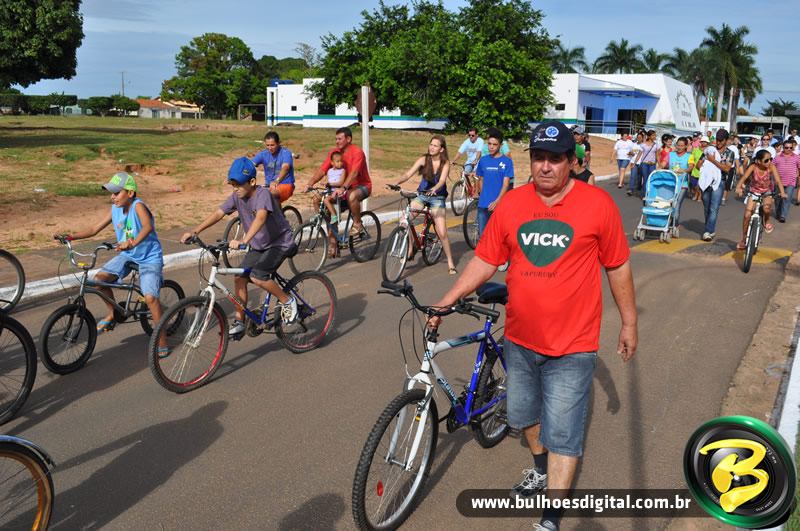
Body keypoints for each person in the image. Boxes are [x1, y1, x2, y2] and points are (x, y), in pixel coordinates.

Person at [429, 121, 637, 531]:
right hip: (520, 341)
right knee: (524, 418)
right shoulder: (513, 204)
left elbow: (617, 266)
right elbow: (486, 259)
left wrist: (629, 323)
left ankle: (550, 519)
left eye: (554, 159)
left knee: (563, 434)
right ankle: (540, 469)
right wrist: (447, 299)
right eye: (538, 157)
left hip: (573, 346)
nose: (545, 166)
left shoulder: (597, 205)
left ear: (571, 162)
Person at [181, 157, 297, 336]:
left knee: (258, 276)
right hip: (260, 246)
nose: (235, 188)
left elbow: (261, 218)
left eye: (238, 184)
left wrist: (244, 240)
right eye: (232, 185)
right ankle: (240, 321)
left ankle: (288, 301)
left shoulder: (263, 195)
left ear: (252, 182)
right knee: (239, 278)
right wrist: (195, 231)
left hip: (280, 243)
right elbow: (219, 213)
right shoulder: (237, 196)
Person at [58, 172, 168, 354]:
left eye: (116, 193)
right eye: (111, 193)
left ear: (130, 193)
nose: (112, 197)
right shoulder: (115, 209)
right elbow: (94, 229)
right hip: (128, 255)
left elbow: (148, 226)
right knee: (99, 280)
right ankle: (113, 314)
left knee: (150, 298)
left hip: (149, 258)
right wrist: (71, 237)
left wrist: (132, 242)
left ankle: (162, 341)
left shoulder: (138, 206)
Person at [391, 135, 458, 274]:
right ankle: (410, 248)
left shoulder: (445, 163)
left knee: (442, 232)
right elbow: (408, 174)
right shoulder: (424, 159)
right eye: (431, 144)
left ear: (441, 149)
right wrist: (396, 183)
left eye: (435, 146)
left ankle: (450, 263)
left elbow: (442, 181)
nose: (432, 147)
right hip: (422, 195)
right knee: (404, 220)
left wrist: (434, 189)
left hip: (437, 198)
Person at [306, 127, 373, 241]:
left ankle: (357, 224)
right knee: (320, 201)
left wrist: (343, 187)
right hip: (341, 189)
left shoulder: (357, 152)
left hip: (361, 186)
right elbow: (322, 170)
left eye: (339, 139)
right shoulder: (335, 153)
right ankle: (333, 243)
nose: (337, 141)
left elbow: (354, 173)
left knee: (351, 195)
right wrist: (310, 183)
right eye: (336, 139)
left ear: (348, 139)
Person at [734, 149, 786, 249]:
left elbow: (778, 181)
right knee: (747, 215)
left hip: (767, 192)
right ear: (758, 161)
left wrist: (782, 192)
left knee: (766, 209)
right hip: (754, 191)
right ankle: (744, 239)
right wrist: (738, 187)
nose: (769, 162)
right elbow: (744, 177)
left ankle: (766, 221)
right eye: (766, 160)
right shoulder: (753, 167)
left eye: (770, 159)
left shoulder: (771, 167)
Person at [474, 128, 514, 238]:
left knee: (497, 237)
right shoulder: (483, 160)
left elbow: (506, 184)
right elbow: (480, 179)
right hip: (483, 205)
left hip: (499, 205)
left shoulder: (507, 161)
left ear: (500, 145)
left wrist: (497, 201)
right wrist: (481, 195)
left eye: (494, 144)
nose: (491, 147)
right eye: (489, 144)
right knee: (483, 236)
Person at [696, 129, 735, 241]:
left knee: (714, 208)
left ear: (726, 140)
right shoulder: (709, 150)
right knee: (707, 207)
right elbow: (698, 166)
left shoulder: (729, 153)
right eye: (717, 139)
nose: (718, 142)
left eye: (721, 140)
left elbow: (726, 169)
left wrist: (712, 160)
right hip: (706, 181)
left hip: (720, 182)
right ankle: (710, 228)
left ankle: (708, 231)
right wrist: (704, 163)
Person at [252, 131, 296, 204]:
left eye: (272, 145)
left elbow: (285, 168)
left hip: (285, 184)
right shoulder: (263, 154)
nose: (270, 148)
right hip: (268, 185)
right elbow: (251, 164)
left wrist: (277, 181)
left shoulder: (285, 153)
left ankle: (277, 211)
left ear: (278, 143)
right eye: (267, 145)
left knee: (269, 195)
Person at [661, 136, 694, 232]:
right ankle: (667, 220)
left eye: (681, 146)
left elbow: (691, 167)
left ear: (686, 146)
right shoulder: (670, 154)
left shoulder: (689, 156)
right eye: (678, 145)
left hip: (682, 184)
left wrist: (685, 170)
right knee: (668, 203)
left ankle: (675, 223)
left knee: (676, 203)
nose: (679, 147)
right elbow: (663, 163)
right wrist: (659, 168)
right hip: (670, 183)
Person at [772, 139, 800, 222]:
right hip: (778, 182)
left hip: (791, 182)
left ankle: (783, 216)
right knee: (778, 200)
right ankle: (778, 213)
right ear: (783, 148)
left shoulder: (796, 157)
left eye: (791, 148)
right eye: (786, 147)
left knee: (787, 199)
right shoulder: (777, 157)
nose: (789, 149)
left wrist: (798, 175)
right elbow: (771, 167)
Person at [322, 151, 346, 224]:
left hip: (337, 192)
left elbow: (341, 183)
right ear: (332, 163)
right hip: (328, 191)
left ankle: (334, 215)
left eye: (341, 161)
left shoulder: (342, 171)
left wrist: (330, 184)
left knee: (326, 200)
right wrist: (324, 183)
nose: (340, 163)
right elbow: (327, 181)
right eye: (338, 161)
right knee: (315, 198)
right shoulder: (329, 171)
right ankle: (319, 215)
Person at [632, 130, 658, 195]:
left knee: (651, 179)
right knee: (645, 179)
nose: (654, 136)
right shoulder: (643, 145)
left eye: (655, 135)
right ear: (649, 136)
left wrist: (659, 165)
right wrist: (634, 163)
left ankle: (650, 194)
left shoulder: (656, 145)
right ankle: (644, 194)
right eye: (653, 135)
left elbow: (657, 156)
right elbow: (639, 155)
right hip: (644, 164)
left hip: (652, 164)